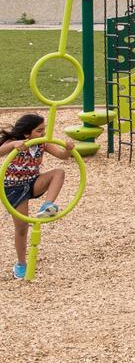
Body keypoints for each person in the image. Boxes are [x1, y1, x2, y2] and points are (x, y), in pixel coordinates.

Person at [2, 114, 74, 279]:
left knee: (59, 173)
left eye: (44, 129)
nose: (43, 134)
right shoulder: (13, 143)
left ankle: (47, 206)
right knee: (22, 227)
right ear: (27, 134)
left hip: (33, 182)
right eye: (39, 131)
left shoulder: (42, 144)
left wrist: (68, 150)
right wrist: (13, 144)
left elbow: (62, 156)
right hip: (14, 188)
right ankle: (21, 263)